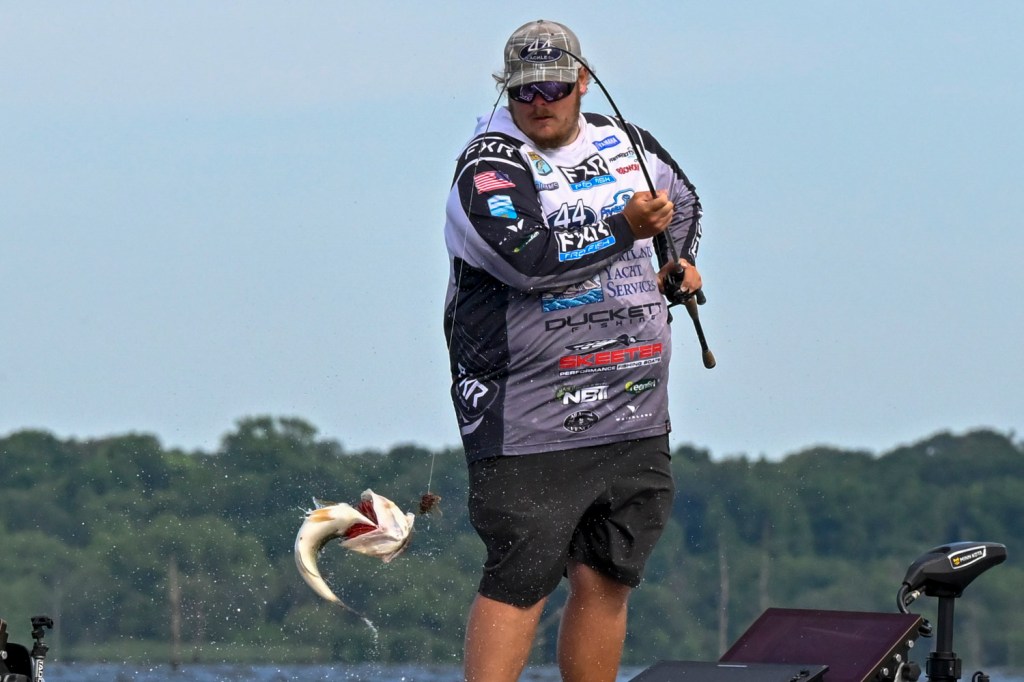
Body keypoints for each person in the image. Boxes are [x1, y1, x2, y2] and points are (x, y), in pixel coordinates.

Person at [442, 19, 704, 682]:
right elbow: (530, 260)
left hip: (634, 408)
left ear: (582, 81)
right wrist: (624, 227)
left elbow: (683, 200)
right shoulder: (488, 166)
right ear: (506, 90)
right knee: (521, 576)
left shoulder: (627, 142)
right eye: (524, 91)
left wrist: (677, 261)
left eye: (554, 87)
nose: (540, 103)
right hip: (529, 416)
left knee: (608, 575)